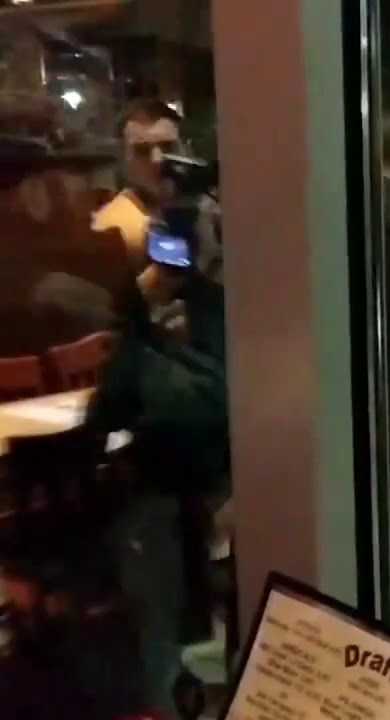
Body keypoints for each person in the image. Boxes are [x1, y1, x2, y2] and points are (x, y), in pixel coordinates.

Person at [84, 196, 228, 719]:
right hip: (224, 486)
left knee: (150, 569)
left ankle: (161, 697)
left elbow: (104, 413)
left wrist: (137, 318)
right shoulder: (231, 312)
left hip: (178, 496)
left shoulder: (156, 340)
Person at [92, 100, 184, 264]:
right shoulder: (111, 229)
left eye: (167, 148)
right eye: (142, 151)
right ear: (121, 157)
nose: (157, 160)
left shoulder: (202, 212)